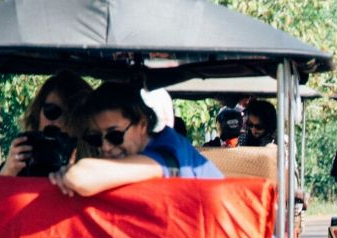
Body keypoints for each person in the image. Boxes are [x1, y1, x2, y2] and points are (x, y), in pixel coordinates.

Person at [52, 82, 222, 197]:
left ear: (142, 125)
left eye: (114, 135)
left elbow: (81, 178)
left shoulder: (167, 153)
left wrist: (71, 174)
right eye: (95, 138)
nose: (105, 147)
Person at [0, 71, 92, 176]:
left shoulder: (93, 165)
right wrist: (8, 171)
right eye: (52, 111)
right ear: (38, 113)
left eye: (70, 116)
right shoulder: (23, 159)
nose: (59, 122)